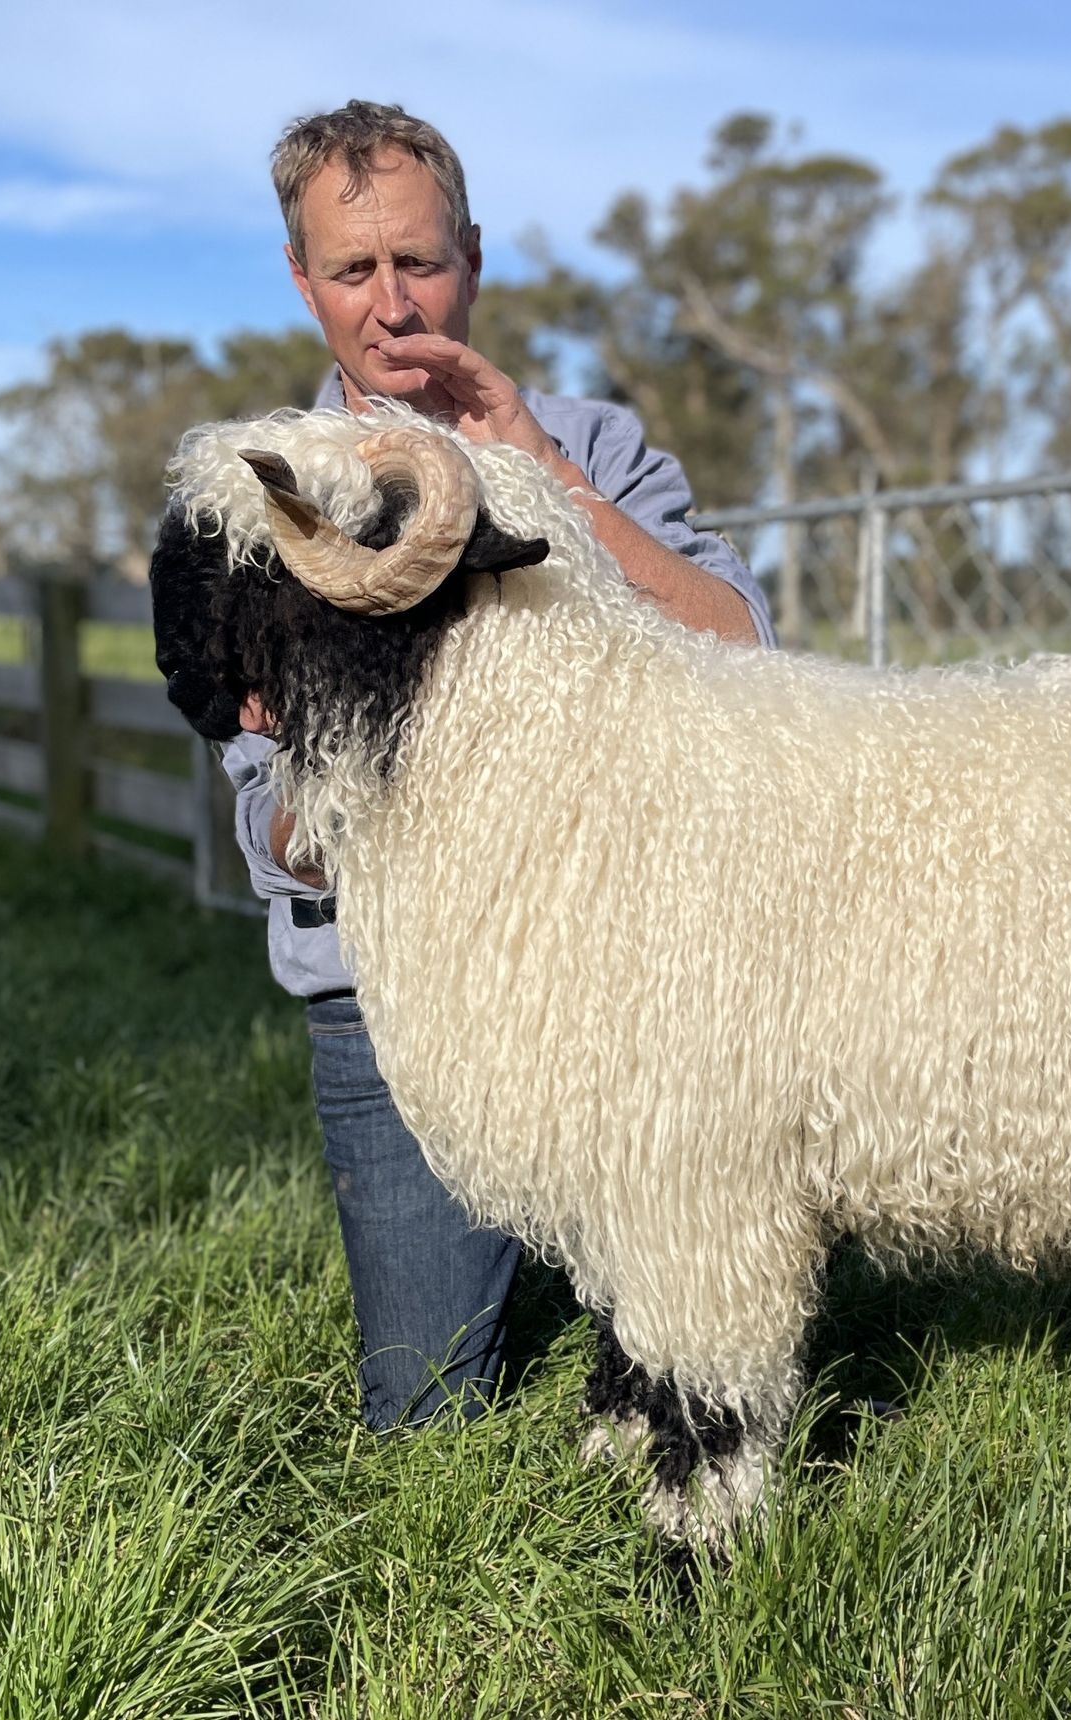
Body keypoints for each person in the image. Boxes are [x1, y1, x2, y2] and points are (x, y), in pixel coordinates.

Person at [223, 100, 775, 1430]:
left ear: (473, 255)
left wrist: (534, 465)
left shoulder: (596, 443)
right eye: (353, 270)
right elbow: (274, 838)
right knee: (424, 1416)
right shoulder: (266, 499)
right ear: (303, 280)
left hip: (646, 983)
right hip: (397, 999)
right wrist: (349, 758)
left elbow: (741, 646)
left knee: (695, 1359)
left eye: (421, 262)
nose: (395, 302)